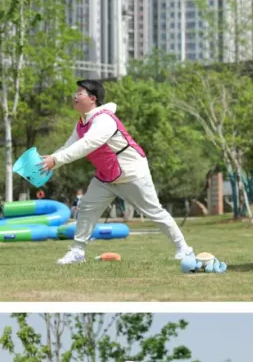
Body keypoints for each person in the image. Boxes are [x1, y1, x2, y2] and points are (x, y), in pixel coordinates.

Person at [41, 79, 194, 265]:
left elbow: (87, 144)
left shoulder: (104, 119)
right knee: (87, 208)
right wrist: (49, 161)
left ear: (93, 98)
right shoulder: (81, 124)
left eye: (80, 93)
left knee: (154, 212)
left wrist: (56, 160)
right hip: (106, 176)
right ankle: (77, 252)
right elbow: (69, 147)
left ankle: (184, 249)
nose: (75, 96)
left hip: (131, 173)